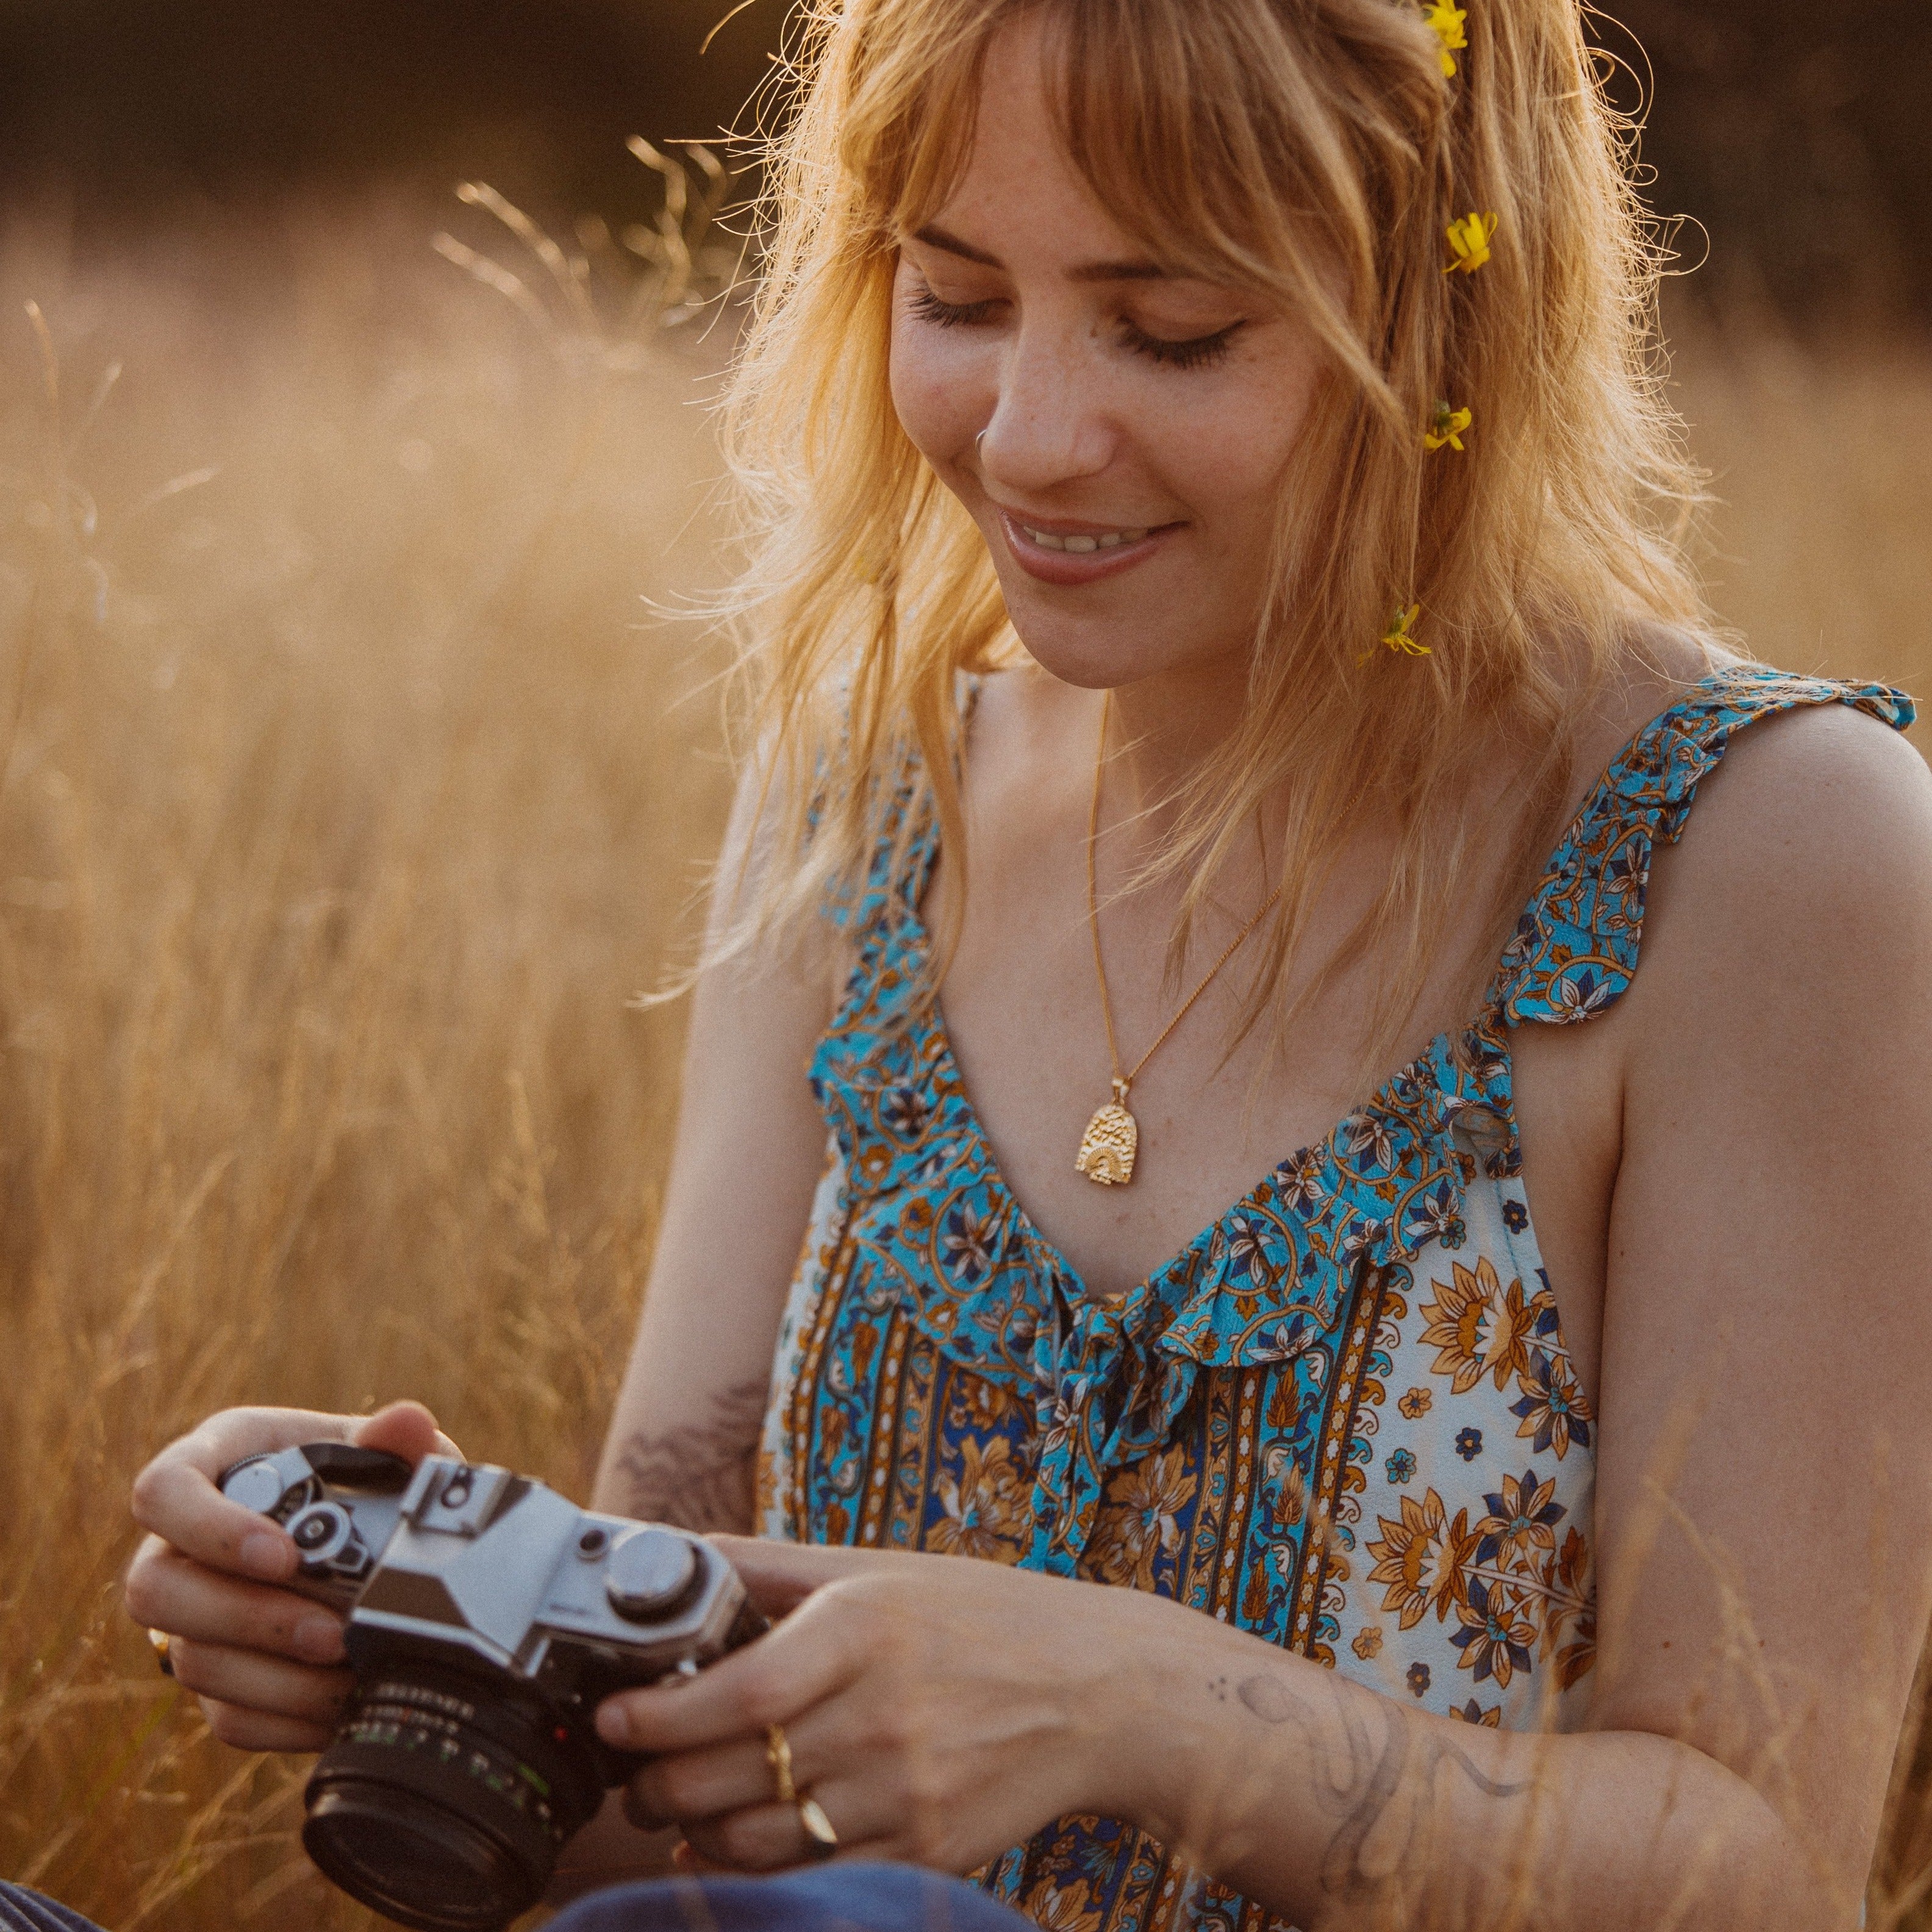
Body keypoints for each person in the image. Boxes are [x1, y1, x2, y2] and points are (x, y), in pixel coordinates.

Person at [125, 1, 1932, 1928]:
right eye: (960, 297)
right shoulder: (863, 789)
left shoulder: (1774, 854)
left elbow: (1773, 1871)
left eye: (1176, 332)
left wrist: (1139, 1709)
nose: (1035, 439)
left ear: (1448, 318)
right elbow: (642, 1824)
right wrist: (402, 1625)